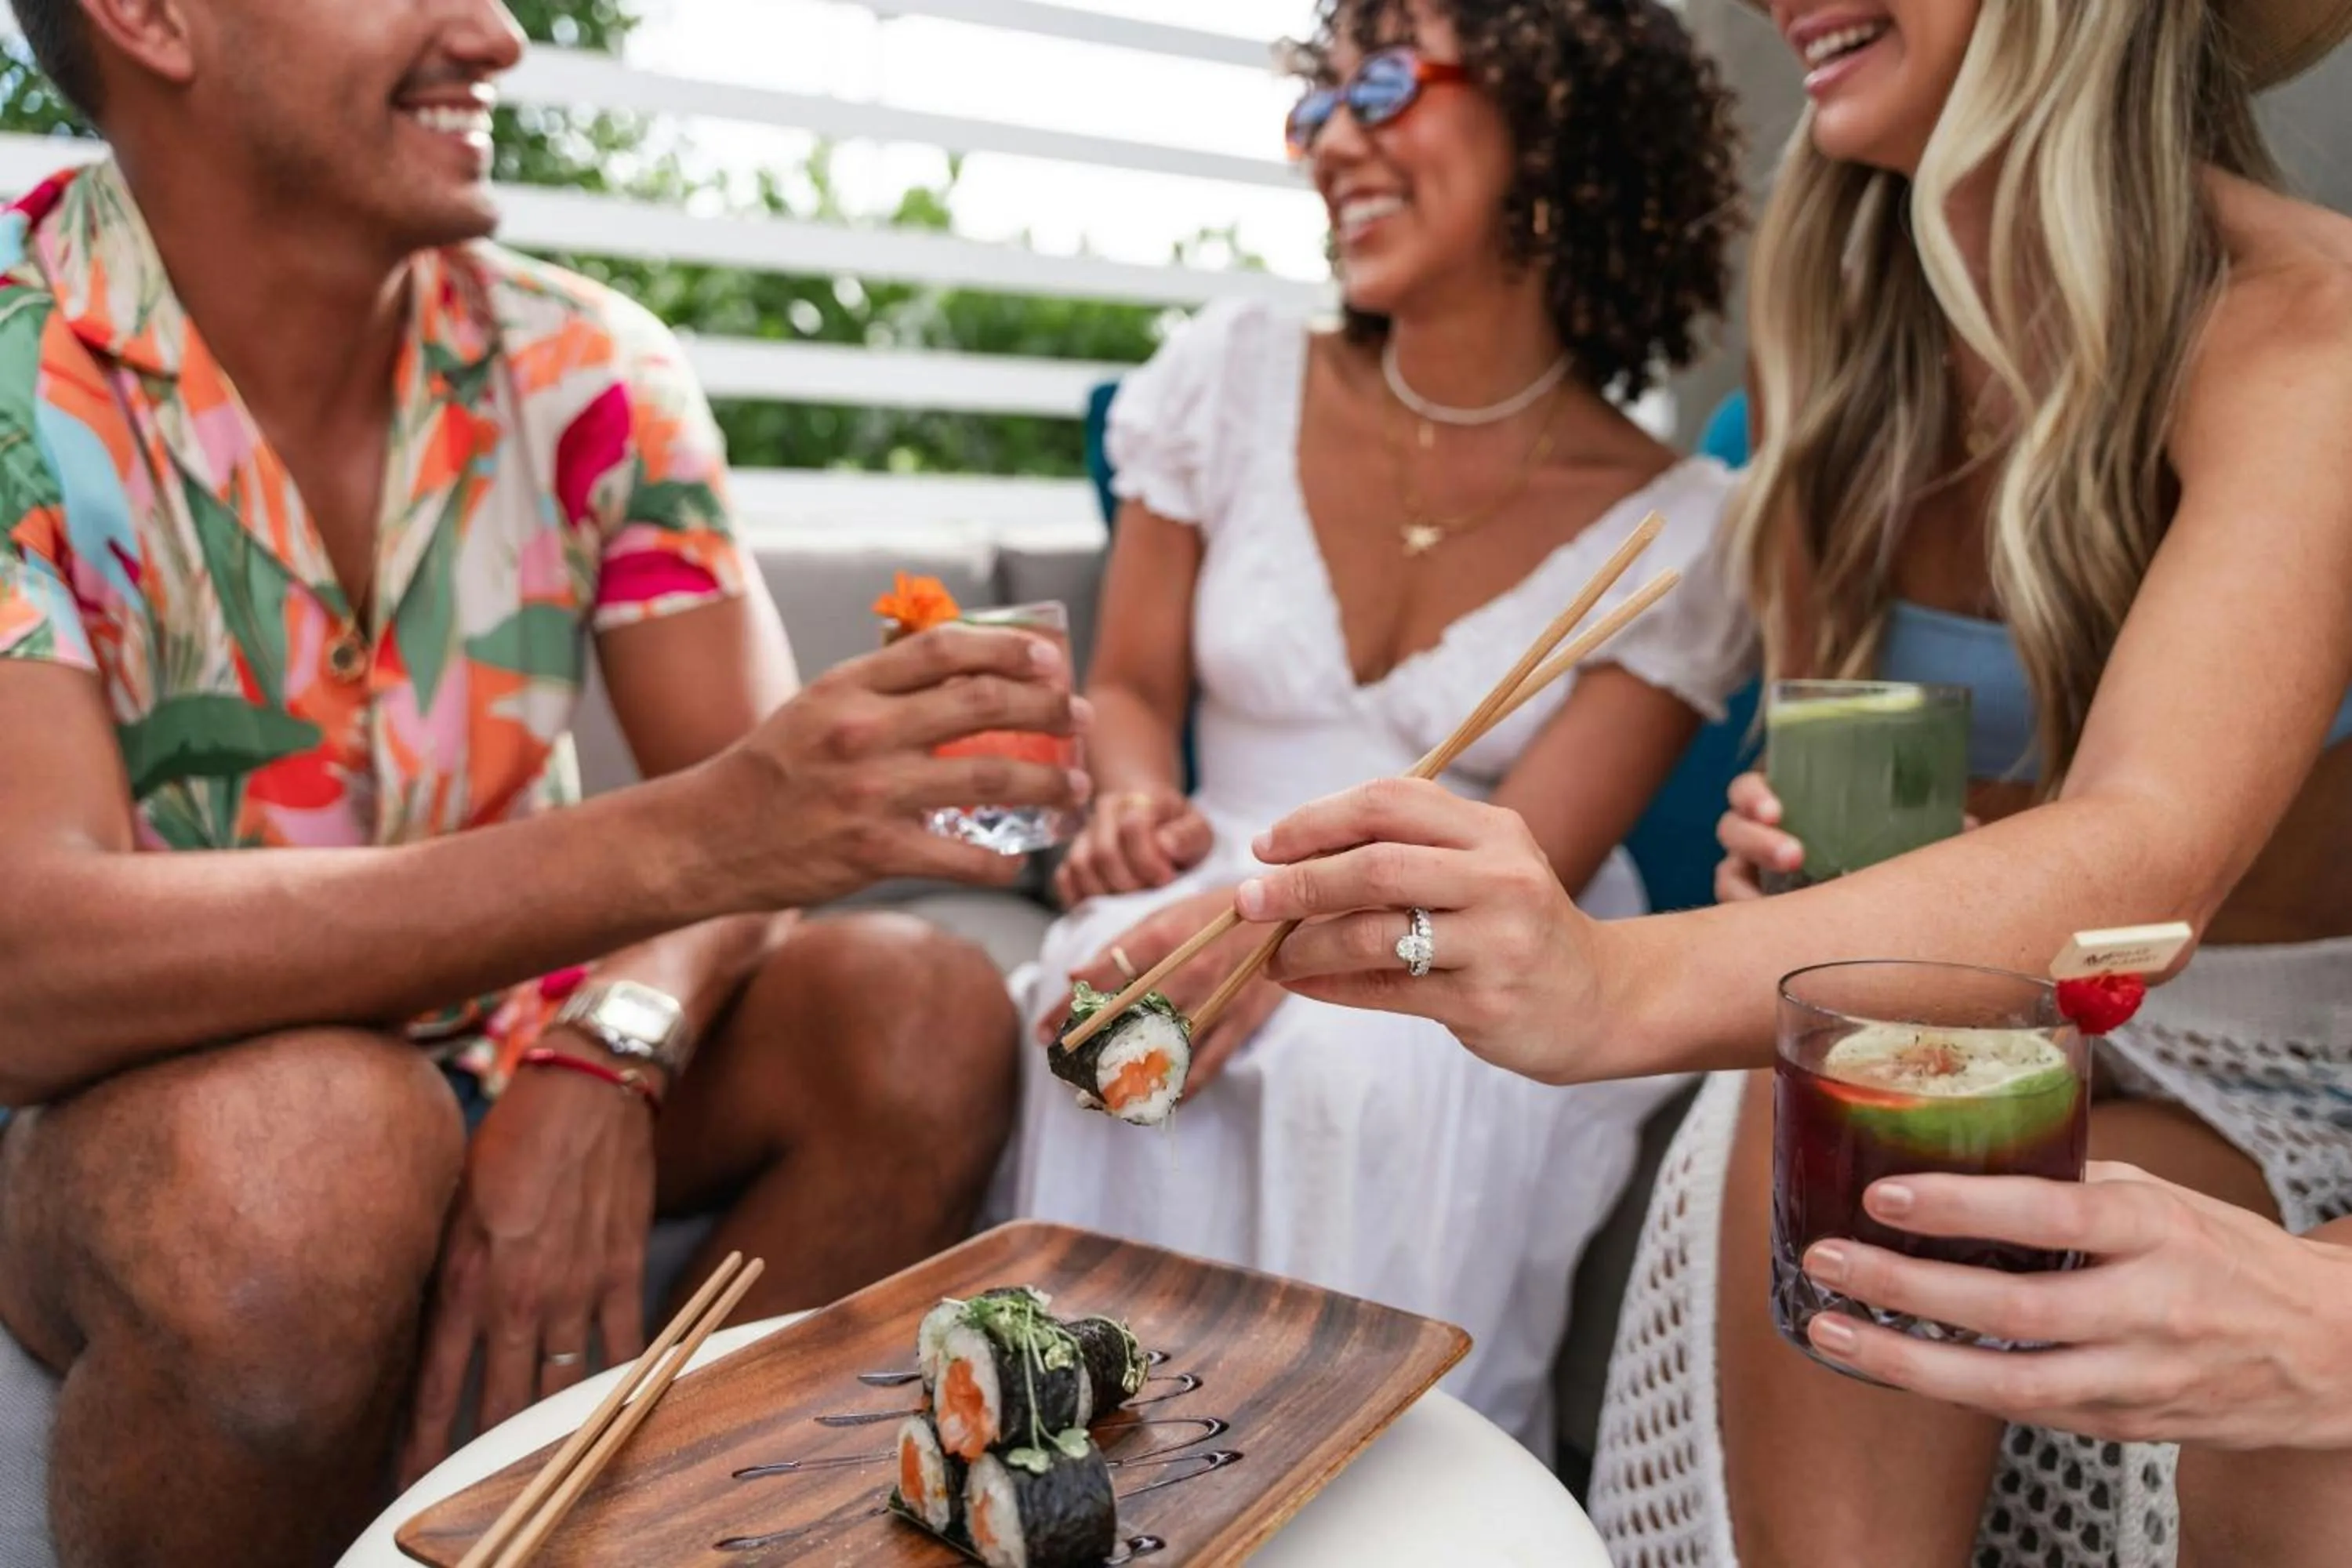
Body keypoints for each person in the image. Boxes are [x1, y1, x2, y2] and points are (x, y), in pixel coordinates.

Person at [1227, 0, 2352, 1561]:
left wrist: (1610, 979)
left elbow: (2145, 848)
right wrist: (1812, 878)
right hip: (1957, 1009)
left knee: (1869, 1086)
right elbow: (1869, 798)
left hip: (2273, 1064)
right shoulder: (1848, 349)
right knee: (1848, 1064)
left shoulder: (2307, 327)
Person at [0, 1, 1088, 1562]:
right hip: (140, 1116)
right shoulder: (5, 366)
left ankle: (626, 1540)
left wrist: (611, 1045)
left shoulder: (589, 363)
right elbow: (25, 965)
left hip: (532, 1038)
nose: (499, 33)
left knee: (922, 1017)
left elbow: (763, 842)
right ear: (153, 17)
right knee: (309, 1160)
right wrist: (697, 835)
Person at [1000, 0, 1745, 1457]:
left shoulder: (1683, 534)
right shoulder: (1227, 375)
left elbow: (1537, 845)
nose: (1333, 141)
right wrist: (1134, 799)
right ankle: (1063, 1469)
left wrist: (1268, 942)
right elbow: (1139, 686)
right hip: (1209, 864)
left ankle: (1369, 1501)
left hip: (1465, 917)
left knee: (1370, 1062)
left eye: (1387, 85)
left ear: (1559, 121)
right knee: (1108, 987)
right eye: (1317, 102)